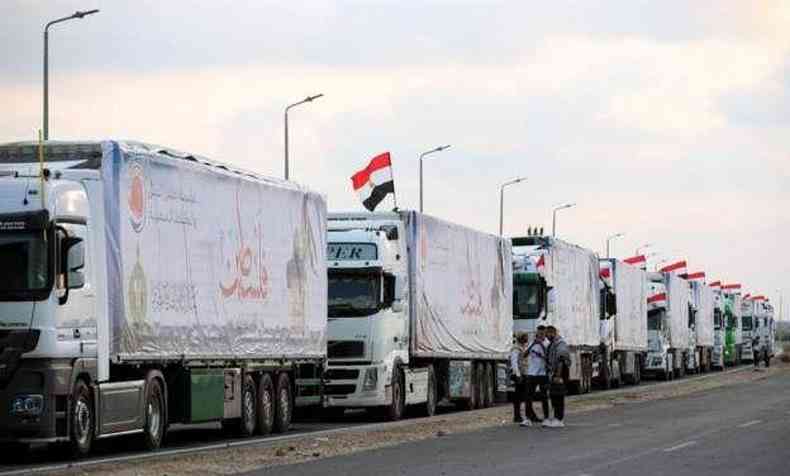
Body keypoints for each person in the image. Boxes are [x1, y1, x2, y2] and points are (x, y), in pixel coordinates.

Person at [522, 325, 550, 426]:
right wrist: (533, 344)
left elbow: (548, 357)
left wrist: (541, 345)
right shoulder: (532, 343)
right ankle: (527, 418)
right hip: (531, 373)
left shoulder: (547, 343)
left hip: (542, 373)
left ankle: (546, 418)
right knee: (528, 396)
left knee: (544, 397)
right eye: (538, 333)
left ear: (545, 333)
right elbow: (524, 355)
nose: (540, 335)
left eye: (542, 333)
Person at [545, 325, 571, 428]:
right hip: (554, 373)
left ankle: (559, 419)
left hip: (559, 374)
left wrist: (558, 376)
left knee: (558, 397)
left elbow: (561, 360)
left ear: (553, 333)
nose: (546, 336)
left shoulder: (560, 344)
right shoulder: (553, 344)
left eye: (548, 334)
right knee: (554, 396)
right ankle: (556, 417)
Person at [509, 332, 530, 425]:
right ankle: (517, 416)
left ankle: (520, 415)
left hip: (524, 374)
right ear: (521, 338)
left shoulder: (523, 347)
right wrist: (518, 375)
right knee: (519, 396)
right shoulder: (516, 349)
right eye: (525, 337)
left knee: (522, 396)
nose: (527, 338)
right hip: (520, 375)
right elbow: (514, 363)